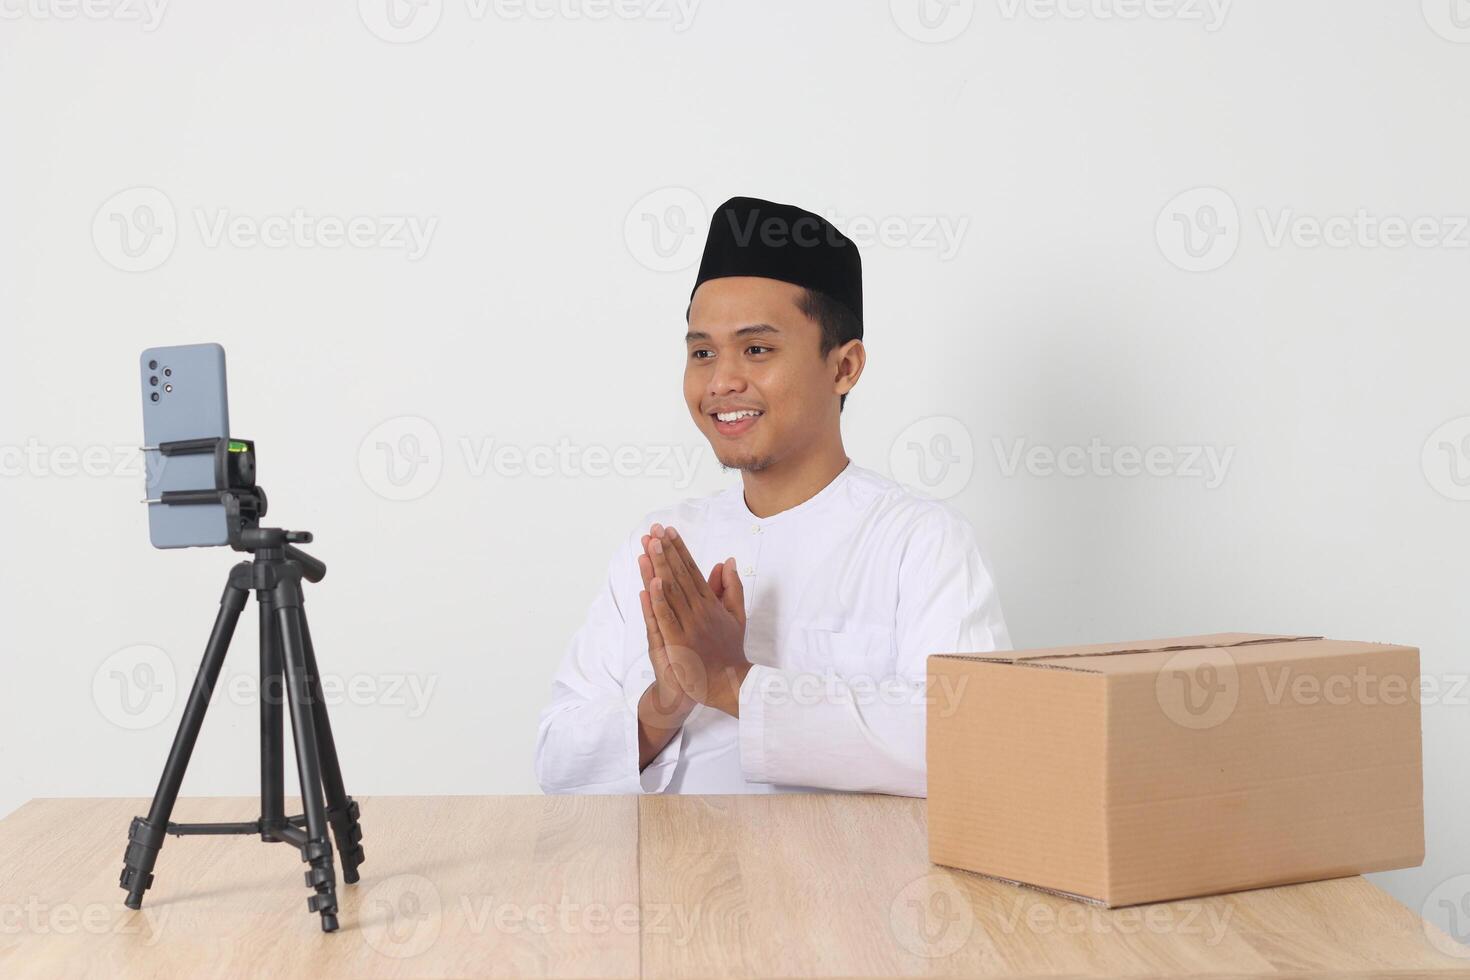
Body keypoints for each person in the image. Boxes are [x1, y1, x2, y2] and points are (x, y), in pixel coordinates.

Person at [535, 196, 1009, 796]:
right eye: (702, 351)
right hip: (662, 883)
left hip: (850, 887)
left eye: (756, 349)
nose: (722, 380)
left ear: (844, 367)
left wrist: (733, 681)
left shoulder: (921, 541)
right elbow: (557, 764)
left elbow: (971, 745)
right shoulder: (658, 544)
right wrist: (666, 702)